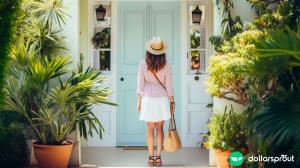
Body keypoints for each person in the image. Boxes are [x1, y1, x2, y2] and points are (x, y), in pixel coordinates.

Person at [136, 36, 175, 167]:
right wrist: (172, 101)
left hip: (147, 98)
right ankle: (158, 157)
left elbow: (140, 85)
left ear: (149, 50)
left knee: (150, 128)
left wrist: (139, 101)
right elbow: (169, 85)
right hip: (162, 99)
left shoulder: (142, 63)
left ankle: (150, 157)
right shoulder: (167, 64)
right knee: (159, 128)